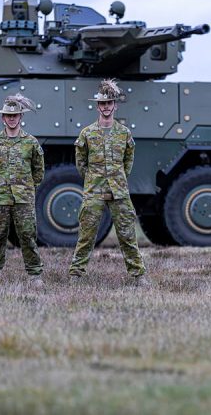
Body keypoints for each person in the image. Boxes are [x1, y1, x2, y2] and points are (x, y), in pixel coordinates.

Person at [68, 79, 147, 284]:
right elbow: (80, 162)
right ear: (97, 106)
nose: (106, 107)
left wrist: (118, 176)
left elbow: (128, 159)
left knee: (127, 233)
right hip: (94, 189)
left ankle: (138, 275)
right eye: (102, 104)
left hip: (118, 190)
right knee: (87, 233)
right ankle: (76, 274)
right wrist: (93, 179)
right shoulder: (87, 133)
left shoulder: (124, 133)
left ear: (115, 105)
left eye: (109, 103)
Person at [0, 93, 46, 286]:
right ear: (2, 118)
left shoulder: (31, 143)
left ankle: (35, 275)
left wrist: (25, 187)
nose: (11, 118)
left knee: (27, 235)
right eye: (8, 115)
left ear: (21, 117)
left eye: (15, 115)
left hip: (23, 198)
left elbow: (38, 171)